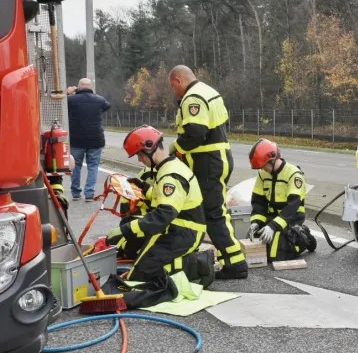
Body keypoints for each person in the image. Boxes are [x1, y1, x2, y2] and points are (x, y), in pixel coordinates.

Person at [168, 65, 247, 280]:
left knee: (213, 214)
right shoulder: (208, 91)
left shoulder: (193, 97)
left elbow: (195, 133)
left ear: (178, 80)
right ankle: (231, 259)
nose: (174, 91)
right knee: (211, 211)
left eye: (173, 86)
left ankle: (235, 263)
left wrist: (177, 148)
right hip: (214, 159)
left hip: (208, 162)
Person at [106, 125, 211, 285]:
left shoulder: (170, 175)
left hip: (184, 232)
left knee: (141, 276)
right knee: (139, 267)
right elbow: (164, 198)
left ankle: (197, 265)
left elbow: (162, 215)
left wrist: (126, 229)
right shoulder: (167, 167)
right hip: (177, 228)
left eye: (140, 155)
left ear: (149, 149)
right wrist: (143, 187)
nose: (140, 160)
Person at [247, 139, 316, 261]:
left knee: (276, 255)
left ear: (272, 160)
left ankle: (304, 237)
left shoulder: (293, 174)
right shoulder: (262, 174)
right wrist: (256, 222)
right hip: (273, 217)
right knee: (256, 243)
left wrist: (273, 226)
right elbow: (258, 202)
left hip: (291, 217)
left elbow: (292, 207)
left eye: (264, 166)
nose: (263, 169)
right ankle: (283, 235)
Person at [66, 78, 110, 200]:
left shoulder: (70, 100)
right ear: (91, 87)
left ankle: (75, 193)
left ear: (78, 87)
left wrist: (68, 92)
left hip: (76, 140)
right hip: (96, 140)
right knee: (93, 166)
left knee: (76, 166)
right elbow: (107, 105)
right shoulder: (99, 100)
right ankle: (89, 194)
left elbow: (58, 103)